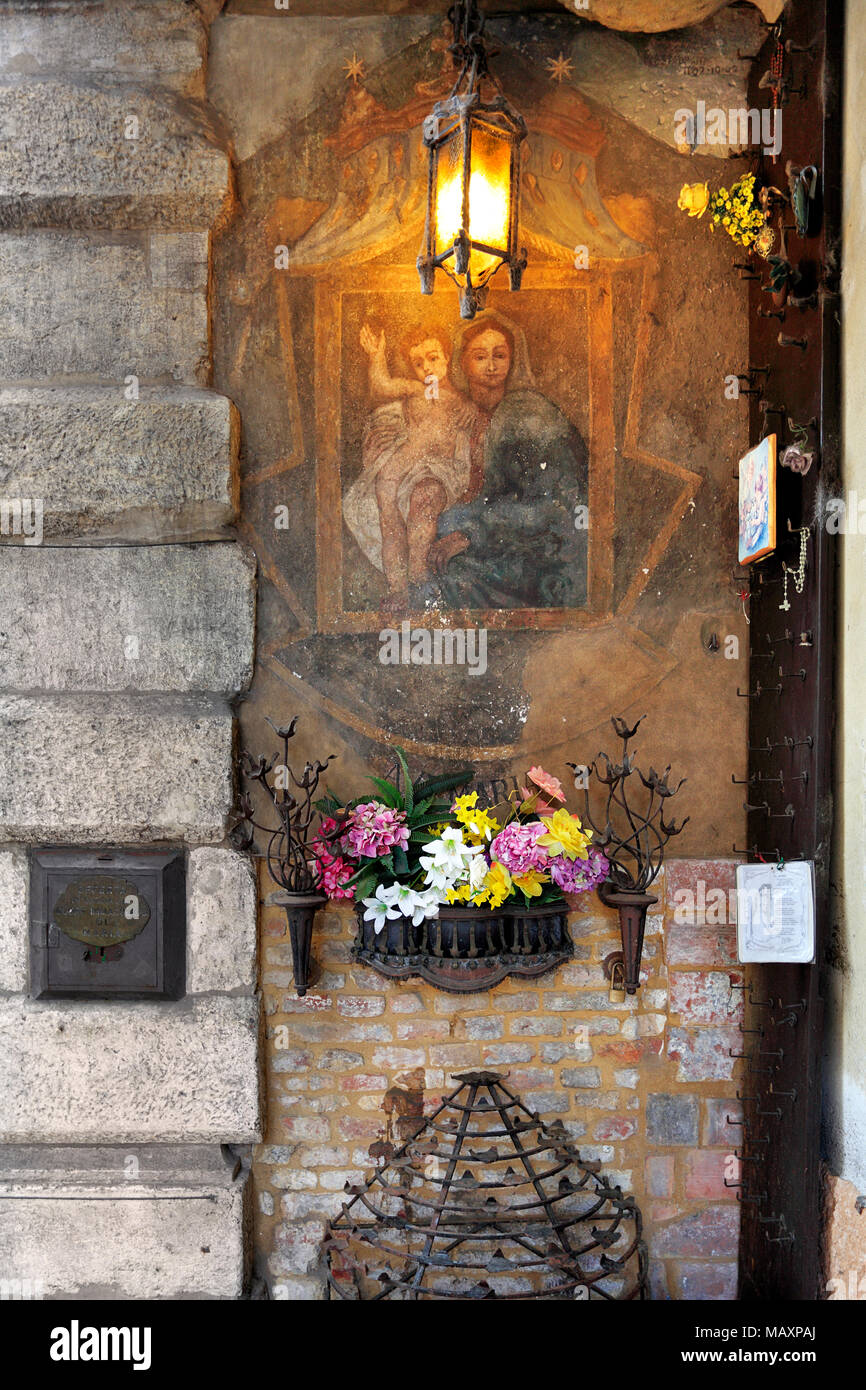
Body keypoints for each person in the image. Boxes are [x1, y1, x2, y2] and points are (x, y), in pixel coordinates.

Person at [420, 313, 589, 610]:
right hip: (484, 527)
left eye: (500, 355)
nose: (491, 365)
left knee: (454, 578)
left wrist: (471, 534)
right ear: (462, 363)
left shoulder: (530, 415)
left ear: (512, 361)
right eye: (480, 356)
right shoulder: (460, 414)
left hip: (535, 544)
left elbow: (553, 506)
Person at [342, 323, 479, 604]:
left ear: (447, 358)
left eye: (433, 358)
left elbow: (473, 427)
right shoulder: (414, 390)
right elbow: (381, 385)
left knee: (423, 501)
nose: (427, 368)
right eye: (418, 363)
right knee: (388, 516)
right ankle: (396, 587)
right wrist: (376, 355)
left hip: (439, 470)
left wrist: (471, 408)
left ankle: (417, 574)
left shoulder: (460, 401)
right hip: (405, 462)